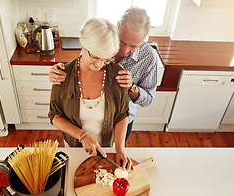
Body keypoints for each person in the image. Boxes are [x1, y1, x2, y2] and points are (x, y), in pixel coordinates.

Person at [49, 7, 158, 142]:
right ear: (117, 27)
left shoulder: (149, 58)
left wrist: (131, 87)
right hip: (82, 123)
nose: (124, 50)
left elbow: (148, 99)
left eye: (134, 46)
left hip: (120, 123)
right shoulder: (100, 39)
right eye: (122, 42)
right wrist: (58, 72)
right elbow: (83, 63)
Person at [48, 17, 133, 171]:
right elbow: (55, 116)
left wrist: (120, 150)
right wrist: (82, 135)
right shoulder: (62, 75)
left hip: (107, 149)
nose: (99, 65)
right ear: (83, 44)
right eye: (94, 56)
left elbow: (121, 115)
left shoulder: (117, 75)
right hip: (74, 148)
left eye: (106, 60)